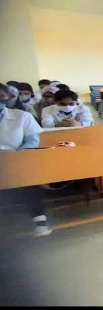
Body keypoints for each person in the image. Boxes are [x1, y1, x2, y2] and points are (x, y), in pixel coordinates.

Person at [0, 83, 50, 236]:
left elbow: (32, 141)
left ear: (8, 98)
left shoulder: (22, 116)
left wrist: (17, 155)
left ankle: (39, 217)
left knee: (27, 176)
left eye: (1, 96)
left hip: (16, 158)